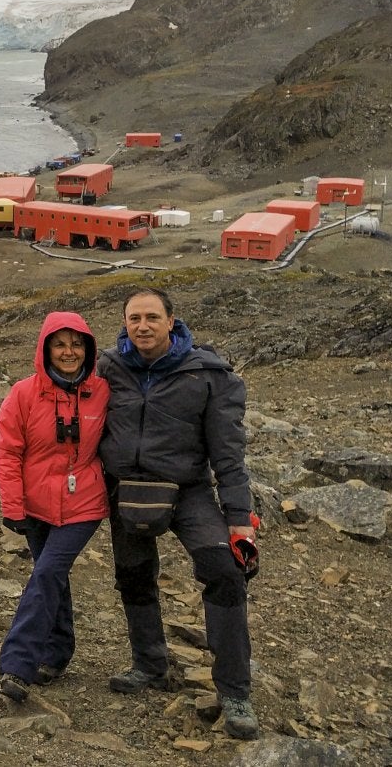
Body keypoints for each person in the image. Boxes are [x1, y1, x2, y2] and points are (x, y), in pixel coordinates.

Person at [97, 287, 259, 740]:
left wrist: (239, 517)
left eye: (152, 317)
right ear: (125, 323)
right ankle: (149, 665)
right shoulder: (108, 367)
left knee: (224, 573)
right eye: (134, 318)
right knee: (133, 575)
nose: (142, 326)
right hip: (126, 489)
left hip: (188, 490)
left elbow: (228, 454)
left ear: (172, 321)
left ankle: (234, 691)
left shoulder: (209, 375)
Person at [0, 311, 109, 704]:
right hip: (36, 506)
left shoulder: (103, 391)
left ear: (88, 349)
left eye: (76, 344)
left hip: (85, 505)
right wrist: (13, 506)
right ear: (44, 349)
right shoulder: (23, 394)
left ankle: (17, 666)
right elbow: (8, 452)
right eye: (59, 344)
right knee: (52, 577)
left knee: (45, 575)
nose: (68, 352)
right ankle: (57, 654)